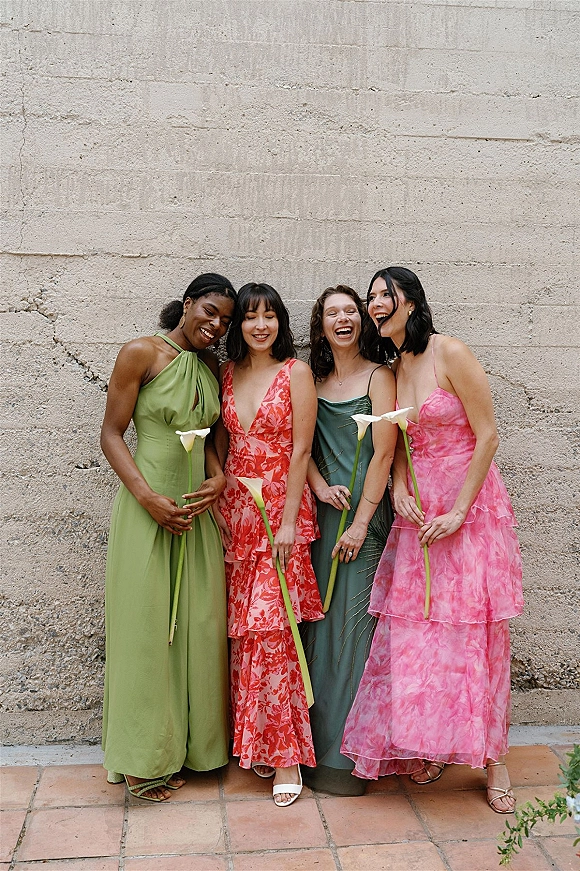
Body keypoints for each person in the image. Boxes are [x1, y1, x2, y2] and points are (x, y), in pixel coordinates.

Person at [341, 267, 524, 814]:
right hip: (419, 515)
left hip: (468, 511)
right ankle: (437, 742)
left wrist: (462, 512)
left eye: (383, 295)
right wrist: (397, 487)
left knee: (475, 636)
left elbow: (487, 434)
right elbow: (396, 442)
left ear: (412, 302)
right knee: (422, 636)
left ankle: (495, 763)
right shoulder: (395, 369)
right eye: (370, 297)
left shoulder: (450, 352)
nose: (374, 304)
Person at [100, 273, 237, 802]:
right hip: (147, 509)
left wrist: (218, 475)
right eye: (209, 311)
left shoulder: (209, 368)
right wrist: (148, 498)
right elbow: (112, 434)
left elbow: (206, 441)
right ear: (186, 305)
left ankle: (188, 750)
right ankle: (141, 761)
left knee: (197, 630)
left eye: (224, 319)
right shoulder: (141, 352)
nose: (216, 325)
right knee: (148, 631)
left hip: (195, 515)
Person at [215, 282, 323, 807]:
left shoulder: (295, 373)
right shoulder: (226, 373)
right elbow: (222, 443)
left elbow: (302, 449)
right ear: (240, 326)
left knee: (274, 630)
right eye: (251, 317)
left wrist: (286, 523)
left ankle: (287, 756)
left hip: (280, 508)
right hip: (235, 511)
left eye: (270, 316)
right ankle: (256, 737)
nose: (260, 325)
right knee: (246, 634)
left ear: (282, 323)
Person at [300, 286, 397, 795]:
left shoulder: (380, 377)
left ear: (361, 321)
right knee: (321, 625)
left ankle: (348, 762)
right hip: (322, 517)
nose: (343, 318)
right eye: (331, 312)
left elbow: (383, 454)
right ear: (320, 325)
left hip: (365, 518)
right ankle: (310, 755)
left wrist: (361, 523)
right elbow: (301, 447)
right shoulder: (310, 380)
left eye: (350, 311)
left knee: (355, 630)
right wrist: (317, 486)